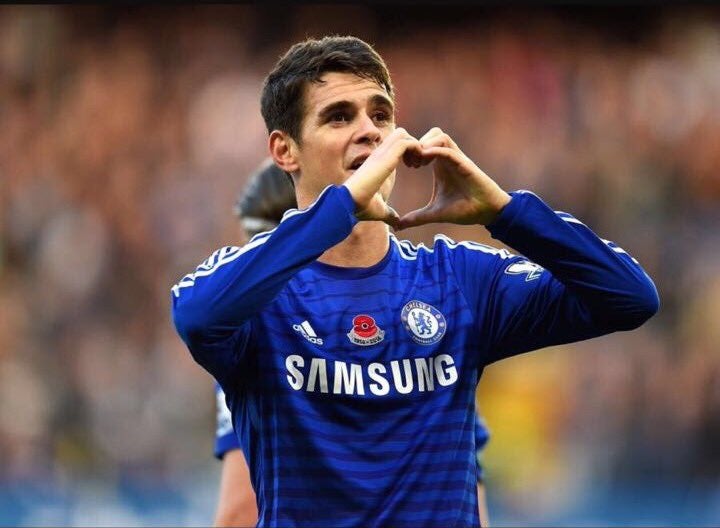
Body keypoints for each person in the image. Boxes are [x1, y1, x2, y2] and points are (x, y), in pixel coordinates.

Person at [172, 36, 658, 527]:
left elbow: (629, 296)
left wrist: (505, 212)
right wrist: (341, 208)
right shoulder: (259, 296)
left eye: (380, 116)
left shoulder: (458, 279)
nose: (369, 131)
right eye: (339, 117)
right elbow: (196, 315)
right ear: (285, 151)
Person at [212, 159, 493, 526]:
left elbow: (240, 511)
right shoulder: (435, 341)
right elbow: (471, 504)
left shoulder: (262, 339)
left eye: (263, 242)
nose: (255, 263)